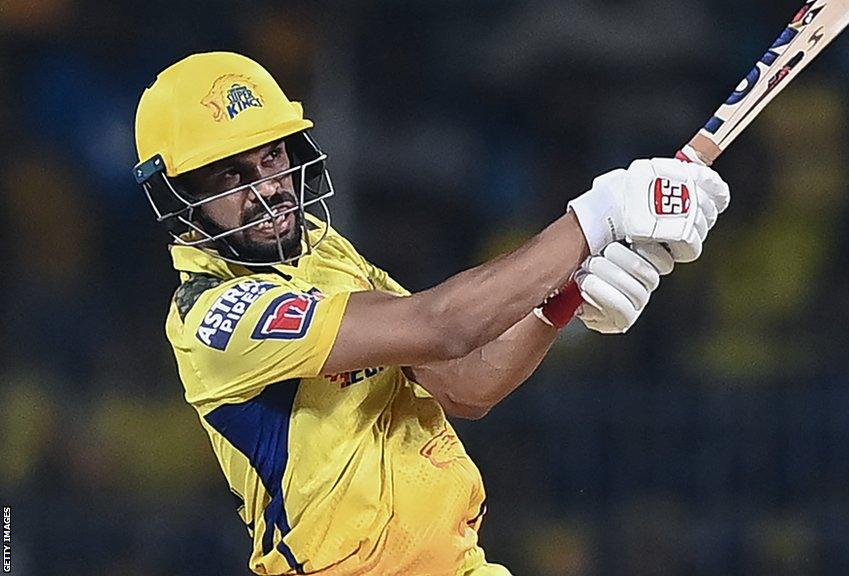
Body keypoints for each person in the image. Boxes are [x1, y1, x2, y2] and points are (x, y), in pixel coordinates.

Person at [132, 51, 729, 576]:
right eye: (230, 176)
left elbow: (467, 383)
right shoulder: (214, 316)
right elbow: (442, 327)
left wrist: (565, 297)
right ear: (179, 200)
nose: (268, 190)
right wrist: (595, 218)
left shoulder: (325, 253)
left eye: (271, 158)